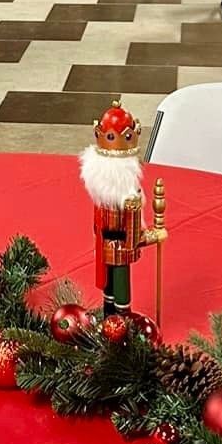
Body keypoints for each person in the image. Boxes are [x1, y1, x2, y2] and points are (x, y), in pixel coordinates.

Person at [79, 98, 165, 316]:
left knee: (115, 288)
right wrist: (152, 236)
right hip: (114, 247)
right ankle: (116, 322)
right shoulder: (125, 198)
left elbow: (129, 233)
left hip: (112, 247)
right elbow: (132, 235)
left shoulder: (115, 193)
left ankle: (116, 322)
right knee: (117, 288)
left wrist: (145, 235)